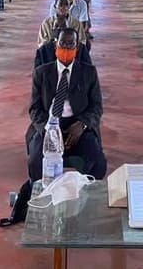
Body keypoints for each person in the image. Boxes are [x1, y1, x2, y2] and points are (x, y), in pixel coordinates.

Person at [27, 28, 106, 182]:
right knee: (35, 162)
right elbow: (34, 109)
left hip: (77, 124)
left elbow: (96, 107)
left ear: (77, 47)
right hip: (49, 124)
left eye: (71, 44)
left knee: (98, 162)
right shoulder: (41, 73)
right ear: (55, 45)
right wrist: (49, 129)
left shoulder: (88, 73)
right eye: (63, 43)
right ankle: (42, 192)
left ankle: (85, 190)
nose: (66, 48)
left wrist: (82, 124)